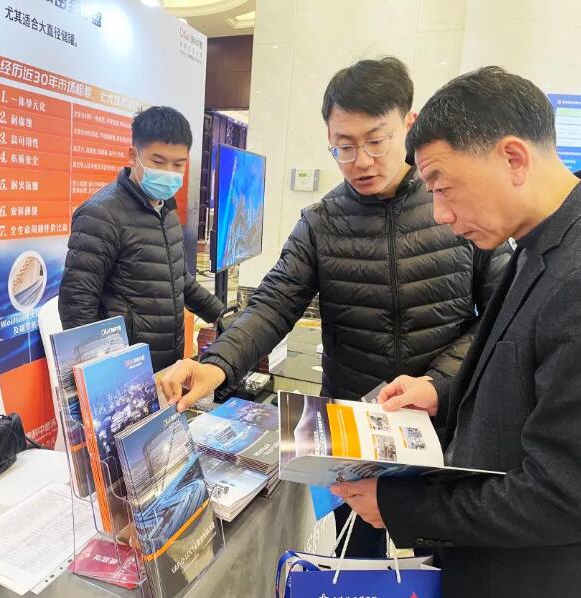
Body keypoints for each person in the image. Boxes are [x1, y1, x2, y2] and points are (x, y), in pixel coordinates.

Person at [158, 57, 511, 556]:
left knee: (443, 560)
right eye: (343, 147)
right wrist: (215, 365)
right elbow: (273, 303)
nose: (360, 161)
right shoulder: (321, 222)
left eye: (375, 141)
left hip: (443, 424)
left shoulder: (454, 205)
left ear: (409, 126)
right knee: (356, 559)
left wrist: (440, 383)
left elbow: (501, 316)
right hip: (353, 432)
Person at [329, 66, 581, 597]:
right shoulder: (536, 241)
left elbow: (563, 494)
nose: (441, 214)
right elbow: (525, 370)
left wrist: (403, 506)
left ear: (513, 158)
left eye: (444, 188)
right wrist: (443, 393)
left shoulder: (573, 275)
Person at [58, 106, 224, 371]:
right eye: (158, 162)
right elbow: (77, 303)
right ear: (133, 155)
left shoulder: (166, 209)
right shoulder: (101, 214)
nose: (169, 172)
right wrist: (101, 373)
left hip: (166, 365)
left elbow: (180, 280)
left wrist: (224, 317)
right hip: (125, 370)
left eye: (178, 164)